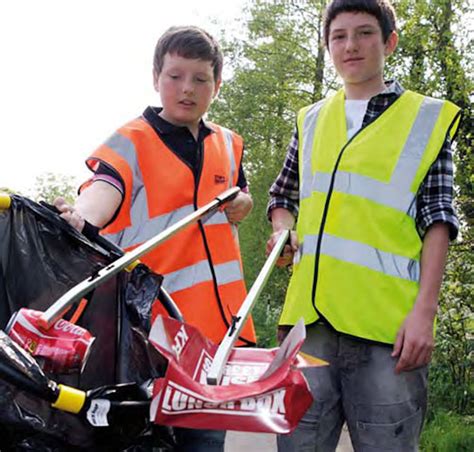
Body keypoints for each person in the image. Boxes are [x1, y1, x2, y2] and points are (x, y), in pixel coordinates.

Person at [266, 0, 461, 450]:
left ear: (389, 41)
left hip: (387, 334)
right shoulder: (309, 120)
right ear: (328, 46)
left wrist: (424, 314)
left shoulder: (426, 119)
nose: (350, 45)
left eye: (364, 33)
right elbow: (282, 196)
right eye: (339, 36)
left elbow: (438, 219)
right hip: (307, 326)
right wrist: (282, 230)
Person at [55, 25, 256, 451]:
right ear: (155, 78)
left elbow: (238, 194)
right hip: (146, 338)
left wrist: (245, 204)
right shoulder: (131, 142)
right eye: (175, 76)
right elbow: (102, 193)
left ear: (216, 86)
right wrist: (80, 217)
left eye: (200, 79)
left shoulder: (229, 145)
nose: (187, 89)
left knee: (203, 445)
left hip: (210, 339)